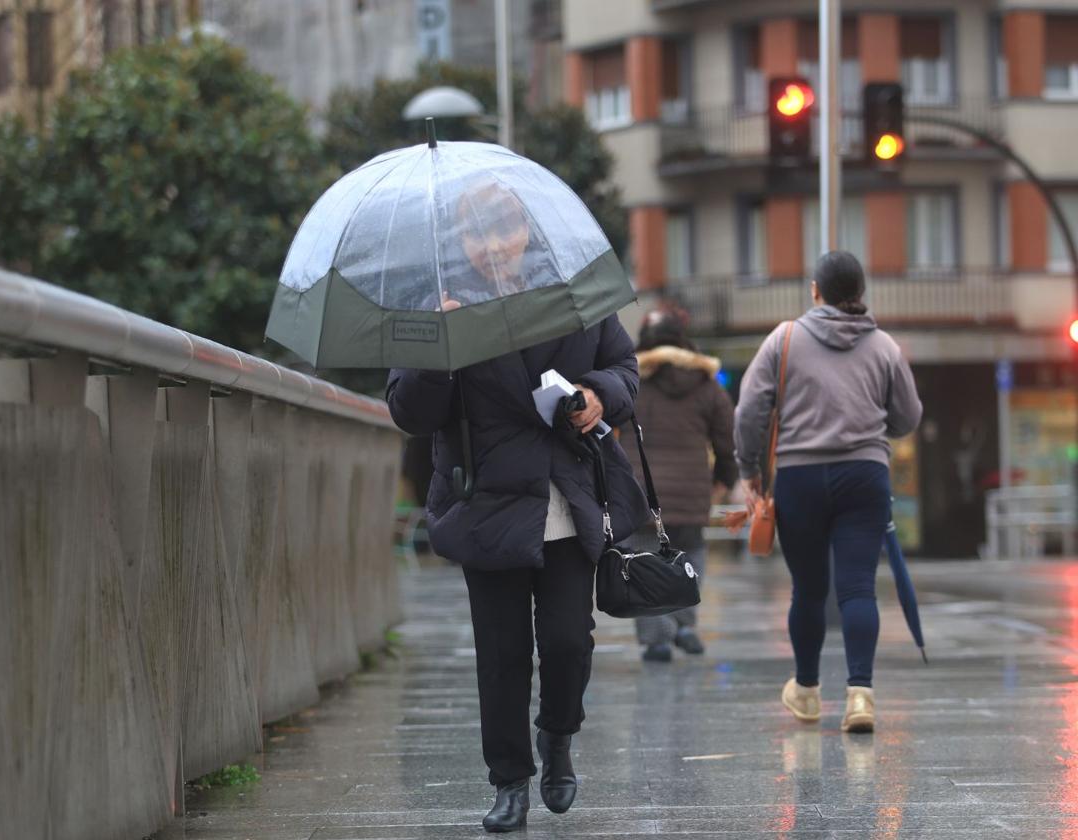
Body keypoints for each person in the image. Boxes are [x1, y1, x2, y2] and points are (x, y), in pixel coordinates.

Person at [386, 182, 648, 833]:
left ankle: (557, 736)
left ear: (527, 232)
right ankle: (508, 781)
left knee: (567, 642)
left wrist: (595, 394)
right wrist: (437, 356)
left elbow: (625, 369)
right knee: (501, 652)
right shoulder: (438, 304)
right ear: (460, 243)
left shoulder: (575, 291)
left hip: (566, 496)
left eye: (504, 231)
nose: (494, 246)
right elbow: (409, 414)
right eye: (478, 235)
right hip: (487, 501)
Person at [734, 251, 922, 733]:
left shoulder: (785, 338)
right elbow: (907, 418)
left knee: (810, 589)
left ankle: (808, 691)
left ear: (815, 291)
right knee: (858, 585)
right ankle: (861, 696)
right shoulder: (883, 347)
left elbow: (750, 411)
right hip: (865, 475)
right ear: (860, 294)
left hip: (800, 477)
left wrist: (750, 469)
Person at [622, 303, 738, 662]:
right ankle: (685, 623)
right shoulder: (706, 385)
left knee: (643, 563)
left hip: (641, 493)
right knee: (690, 555)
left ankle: (657, 639)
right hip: (691, 492)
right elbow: (727, 440)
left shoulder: (628, 381)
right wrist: (722, 479)